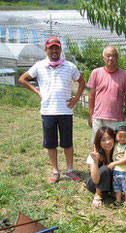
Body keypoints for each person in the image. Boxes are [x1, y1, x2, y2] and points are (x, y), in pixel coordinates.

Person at [18, 36, 85, 183]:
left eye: (57, 47)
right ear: (46, 50)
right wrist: (37, 91)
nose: (54, 50)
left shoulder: (69, 66)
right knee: (51, 142)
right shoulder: (39, 66)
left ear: (60, 49)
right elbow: (22, 79)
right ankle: (55, 171)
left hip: (65, 111)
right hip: (48, 111)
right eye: (51, 48)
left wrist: (76, 99)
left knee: (67, 142)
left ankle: (70, 169)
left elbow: (81, 81)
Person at [88, 46, 126, 143]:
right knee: (96, 144)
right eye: (108, 55)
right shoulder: (96, 73)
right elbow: (91, 95)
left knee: (112, 145)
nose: (110, 58)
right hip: (98, 117)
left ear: (117, 58)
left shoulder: (124, 75)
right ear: (103, 58)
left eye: (113, 56)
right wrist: (91, 115)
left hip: (115, 118)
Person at [85, 127, 115, 207]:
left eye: (110, 138)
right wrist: (95, 161)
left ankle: (115, 192)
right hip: (94, 184)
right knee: (105, 169)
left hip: (109, 184)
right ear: (99, 142)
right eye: (103, 140)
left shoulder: (117, 152)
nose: (107, 142)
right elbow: (95, 180)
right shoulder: (94, 155)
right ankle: (98, 195)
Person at [108, 122, 126, 210]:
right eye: (120, 136)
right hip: (116, 171)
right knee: (117, 187)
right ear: (116, 135)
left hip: (125, 171)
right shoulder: (116, 144)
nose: (122, 138)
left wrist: (114, 163)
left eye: (125, 136)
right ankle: (118, 201)